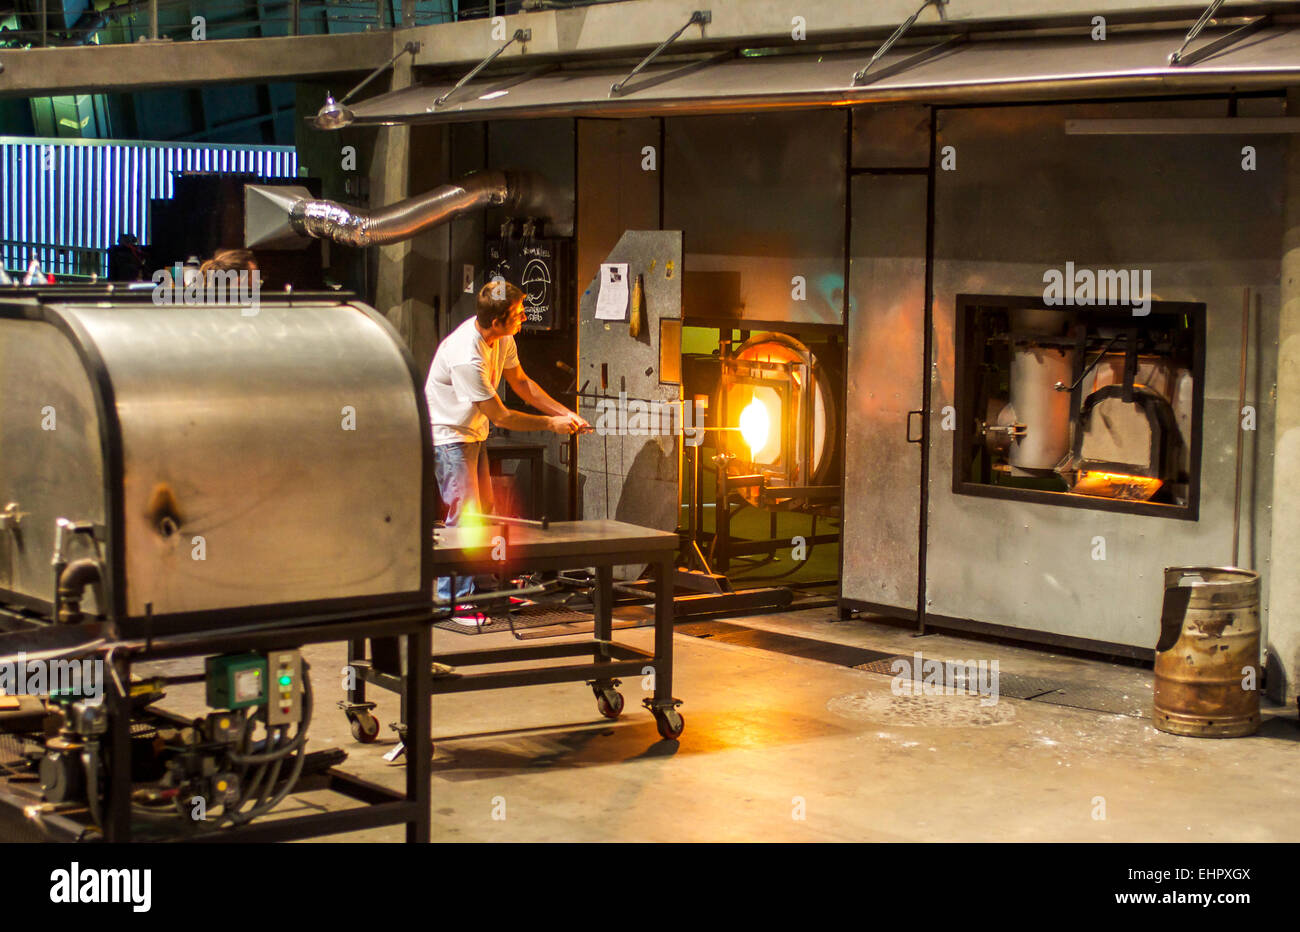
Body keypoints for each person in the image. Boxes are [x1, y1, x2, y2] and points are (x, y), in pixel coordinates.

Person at [426, 279, 589, 610]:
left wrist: (566, 413)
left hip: (473, 432)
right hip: (449, 437)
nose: (524, 317)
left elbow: (523, 384)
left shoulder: (503, 338)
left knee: (484, 513)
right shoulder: (465, 356)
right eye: (517, 313)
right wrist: (550, 424)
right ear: (497, 321)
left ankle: (485, 590)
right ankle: (450, 601)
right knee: (465, 517)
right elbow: (501, 416)